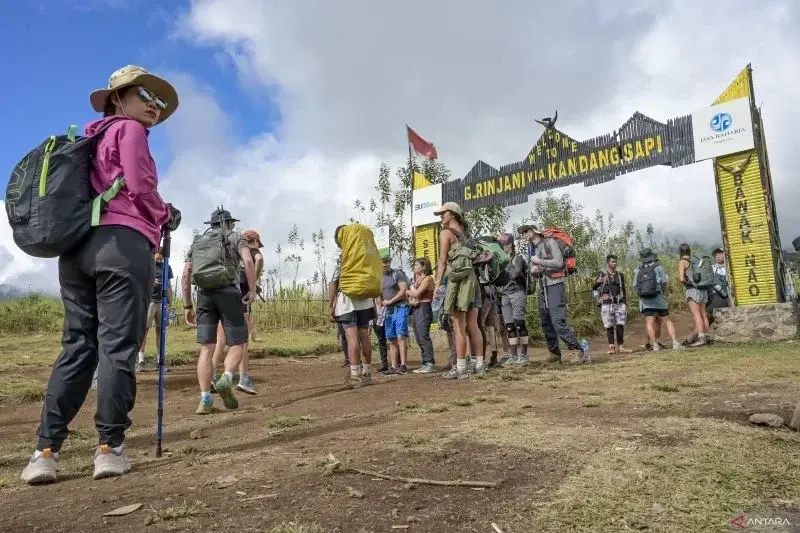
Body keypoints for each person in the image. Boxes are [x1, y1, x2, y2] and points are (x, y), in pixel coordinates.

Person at [21, 65, 181, 485]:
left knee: (77, 346)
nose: (154, 105)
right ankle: (109, 449)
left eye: (160, 101)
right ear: (119, 99)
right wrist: (166, 213)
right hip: (121, 245)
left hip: (76, 250)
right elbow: (141, 186)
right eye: (145, 94)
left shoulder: (88, 139)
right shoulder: (128, 131)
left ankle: (45, 452)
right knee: (117, 348)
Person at [182, 208, 256, 415]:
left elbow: (186, 275)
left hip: (204, 295)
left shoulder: (198, 242)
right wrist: (250, 289)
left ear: (212, 225)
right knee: (238, 341)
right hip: (229, 293)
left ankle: (205, 399)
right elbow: (248, 261)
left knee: (207, 348)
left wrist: (188, 305)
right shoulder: (236, 237)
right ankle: (226, 378)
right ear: (229, 223)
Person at [519, 224, 589, 363]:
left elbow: (558, 262)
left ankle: (578, 350)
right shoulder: (534, 248)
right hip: (543, 287)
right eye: (523, 232)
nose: (525, 233)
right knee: (546, 322)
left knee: (557, 320)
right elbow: (542, 269)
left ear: (535, 231)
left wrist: (540, 262)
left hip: (555, 285)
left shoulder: (549, 242)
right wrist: (535, 271)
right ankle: (554, 354)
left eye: (527, 230)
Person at [210, 230, 264, 395]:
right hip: (241, 300)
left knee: (220, 341)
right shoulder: (254, 253)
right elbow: (258, 261)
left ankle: (211, 377)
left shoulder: (230, 252)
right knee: (242, 342)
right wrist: (253, 283)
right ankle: (243, 379)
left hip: (223, 298)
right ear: (254, 241)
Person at [433, 202, 484, 379]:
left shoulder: (446, 233)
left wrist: (438, 284)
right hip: (473, 283)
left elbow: (442, 261)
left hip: (459, 284)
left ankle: (461, 368)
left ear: (453, 214)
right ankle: (479, 364)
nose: (441, 217)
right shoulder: (467, 236)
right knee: (473, 325)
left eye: (443, 213)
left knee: (458, 326)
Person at [328, 226, 376, 388]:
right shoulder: (362, 252)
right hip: (365, 299)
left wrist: (330, 305)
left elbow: (333, 282)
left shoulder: (339, 255)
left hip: (347, 300)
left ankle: (355, 375)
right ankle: (367, 373)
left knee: (351, 337)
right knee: (365, 336)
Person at [634, 248, 683, 351]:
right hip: (658, 298)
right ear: (651, 256)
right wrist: (661, 292)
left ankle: (655, 345)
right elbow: (664, 282)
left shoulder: (638, 270)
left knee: (649, 322)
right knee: (667, 320)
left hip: (645, 300)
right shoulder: (658, 267)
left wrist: (642, 296)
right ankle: (675, 343)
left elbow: (635, 286)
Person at [496, 233, 530, 366]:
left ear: (510, 244)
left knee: (519, 323)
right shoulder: (498, 261)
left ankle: (524, 355)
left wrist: (505, 262)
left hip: (517, 292)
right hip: (505, 295)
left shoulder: (518, 258)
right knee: (509, 326)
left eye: (503, 245)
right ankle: (513, 355)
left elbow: (515, 274)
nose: (501, 247)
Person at [138, 248, 174, 372]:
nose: (160, 259)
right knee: (144, 330)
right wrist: (151, 282)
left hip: (162, 303)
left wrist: (171, 303)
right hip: (149, 302)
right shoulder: (147, 264)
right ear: (155, 254)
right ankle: (141, 359)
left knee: (160, 331)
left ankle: (160, 361)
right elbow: (139, 282)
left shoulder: (167, 267)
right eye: (158, 256)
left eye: (162, 257)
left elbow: (169, 286)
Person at [592, 254, 631, 354]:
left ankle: (621, 346)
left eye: (616, 261)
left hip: (619, 303)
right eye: (613, 261)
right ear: (608, 263)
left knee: (620, 325)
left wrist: (625, 303)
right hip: (606, 304)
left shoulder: (620, 275)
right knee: (609, 326)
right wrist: (598, 299)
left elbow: (623, 289)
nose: (615, 263)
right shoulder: (602, 274)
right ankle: (612, 348)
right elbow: (594, 287)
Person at [380, 252, 411, 375]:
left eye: (386, 261)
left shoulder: (397, 274)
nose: (384, 264)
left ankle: (403, 365)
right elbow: (379, 295)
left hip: (400, 306)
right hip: (388, 310)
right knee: (391, 338)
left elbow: (404, 290)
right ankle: (393, 366)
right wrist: (380, 307)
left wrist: (390, 301)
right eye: (382, 262)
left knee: (400, 335)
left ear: (390, 262)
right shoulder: (379, 277)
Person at [407, 257, 436, 373]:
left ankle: (430, 363)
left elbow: (417, 293)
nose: (414, 267)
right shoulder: (417, 279)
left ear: (424, 267)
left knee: (423, 335)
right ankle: (425, 362)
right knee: (418, 337)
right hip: (416, 309)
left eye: (417, 265)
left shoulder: (428, 279)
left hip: (424, 308)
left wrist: (407, 292)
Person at [678, 243, 710, 347]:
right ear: (689, 251)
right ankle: (707, 337)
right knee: (703, 314)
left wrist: (689, 283)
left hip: (692, 290)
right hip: (703, 289)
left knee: (697, 315)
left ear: (680, 252)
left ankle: (701, 339)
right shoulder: (695, 260)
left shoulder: (683, 261)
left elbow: (681, 278)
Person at [706, 247, 729, 326]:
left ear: (725, 255)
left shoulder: (729, 268)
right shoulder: (712, 268)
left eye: (720, 254)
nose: (718, 256)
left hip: (725, 297)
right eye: (716, 255)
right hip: (713, 296)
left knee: (708, 313)